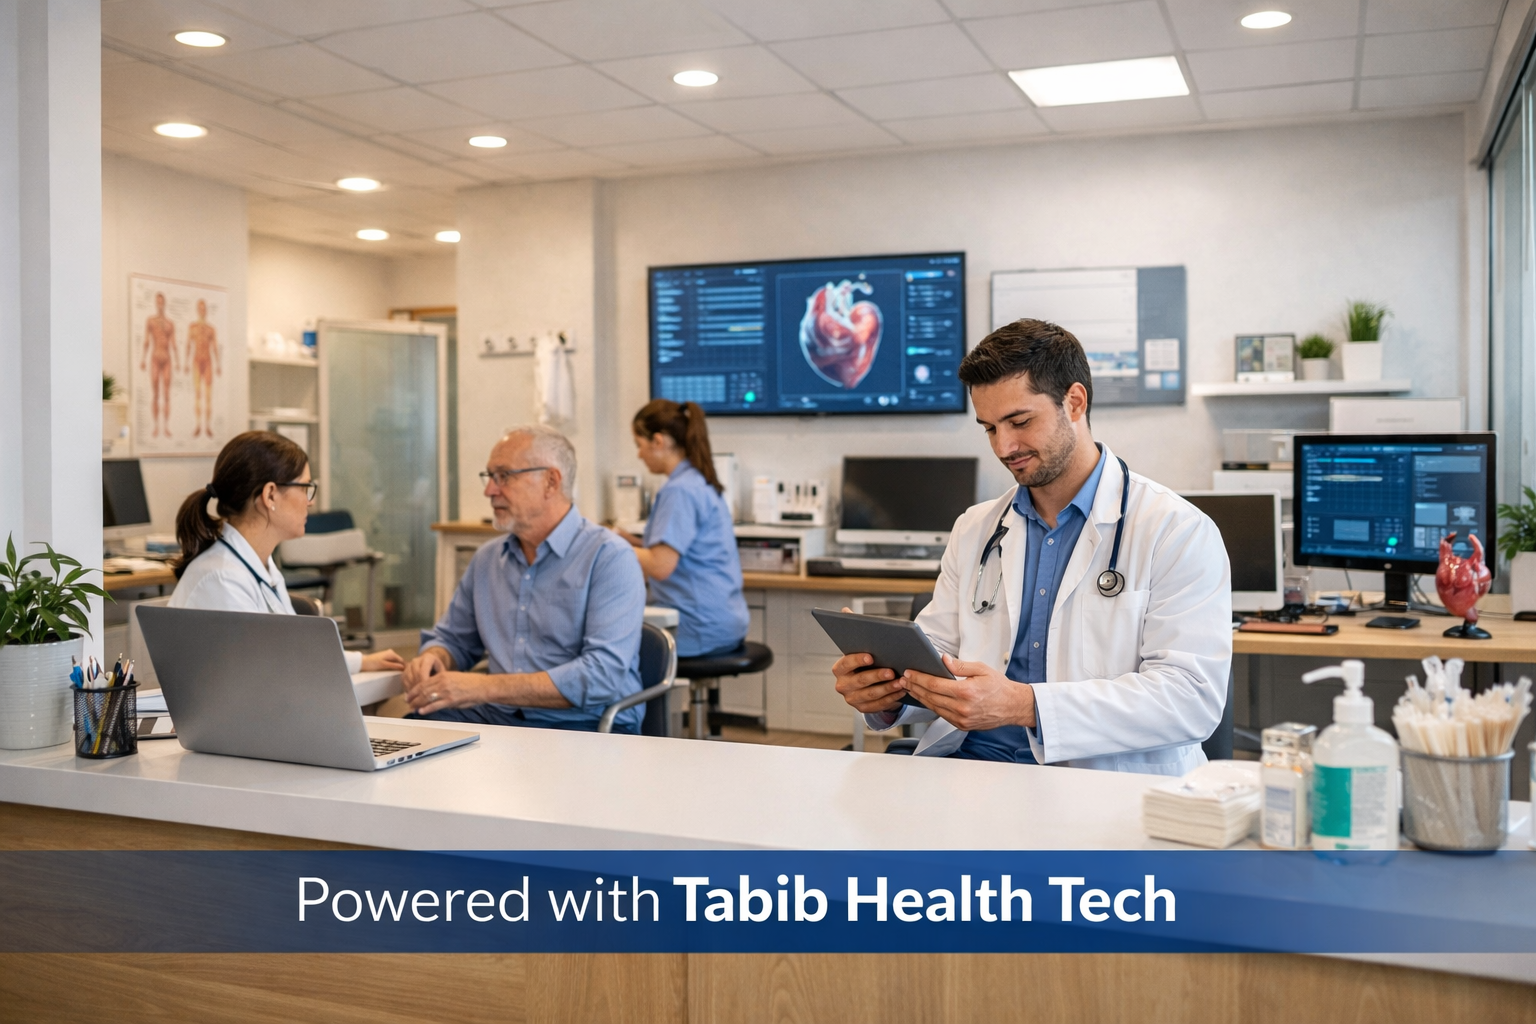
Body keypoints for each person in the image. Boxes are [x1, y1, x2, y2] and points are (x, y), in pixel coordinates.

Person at [832, 319, 1231, 774]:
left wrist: (1025, 706)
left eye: (1020, 422)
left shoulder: (1176, 530)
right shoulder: (976, 528)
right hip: (972, 773)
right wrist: (888, 696)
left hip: (1099, 784)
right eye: (989, 429)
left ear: (1074, 402)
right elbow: (938, 656)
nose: (1004, 447)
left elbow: (1190, 699)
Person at [402, 426, 647, 732]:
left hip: (587, 723)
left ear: (550, 481)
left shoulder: (610, 558)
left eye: (503, 476)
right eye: (489, 476)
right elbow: (455, 640)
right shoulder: (487, 560)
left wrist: (484, 688)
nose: (489, 490)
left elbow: (600, 677)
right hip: (501, 718)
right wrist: (435, 657)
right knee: (412, 742)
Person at [169, 431, 406, 674]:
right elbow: (274, 670)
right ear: (270, 494)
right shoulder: (222, 580)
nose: (310, 501)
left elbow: (294, 650)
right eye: (305, 488)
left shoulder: (261, 566)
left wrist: (361, 662)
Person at [617, 399, 749, 658]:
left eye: (639, 445)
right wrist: (629, 541)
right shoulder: (696, 481)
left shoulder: (679, 490)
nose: (639, 454)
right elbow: (676, 552)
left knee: (613, 653)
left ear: (658, 441)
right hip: (723, 621)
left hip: (698, 628)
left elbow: (660, 565)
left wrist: (606, 543)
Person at [140, 291, 178, 438]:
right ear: (156, 303)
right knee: (156, 393)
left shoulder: (170, 323)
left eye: (162, 301)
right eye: (158, 301)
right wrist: (143, 359)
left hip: (167, 358)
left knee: (166, 394)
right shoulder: (151, 321)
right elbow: (146, 340)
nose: (160, 304)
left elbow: (173, 343)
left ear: (164, 303)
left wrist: (179, 361)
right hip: (155, 356)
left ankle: (166, 426)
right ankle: (156, 426)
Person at [185, 297, 221, 439]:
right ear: (197, 310)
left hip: (208, 361)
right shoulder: (192, 327)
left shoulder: (211, 329)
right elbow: (188, 344)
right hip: (196, 361)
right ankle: (199, 425)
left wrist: (218, 364)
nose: (202, 310)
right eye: (200, 308)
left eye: (204, 308)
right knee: (198, 395)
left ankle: (207, 426)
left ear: (206, 310)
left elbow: (215, 347)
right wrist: (185, 363)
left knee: (208, 396)